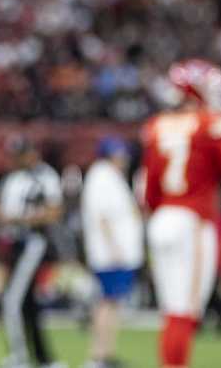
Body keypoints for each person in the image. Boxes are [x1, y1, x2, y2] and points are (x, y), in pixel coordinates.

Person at [141, 59, 221, 368]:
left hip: (162, 219)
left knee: (172, 310)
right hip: (192, 220)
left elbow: (150, 191)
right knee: (185, 312)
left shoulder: (157, 126)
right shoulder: (211, 124)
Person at [0, 135, 66, 368]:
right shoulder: (12, 179)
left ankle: (20, 357)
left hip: (33, 243)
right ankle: (44, 358)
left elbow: (54, 212)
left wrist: (18, 219)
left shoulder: (45, 176)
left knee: (13, 301)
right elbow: (4, 214)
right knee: (27, 303)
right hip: (13, 244)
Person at [80, 137, 144, 368]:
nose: (123, 159)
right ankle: (97, 355)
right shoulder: (102, 176)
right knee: (107, 302)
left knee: (113, 303)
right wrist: (114, 247)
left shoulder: (110, 176)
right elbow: (103, 215)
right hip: (111, 255)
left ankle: (105, 353)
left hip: (116, 253)